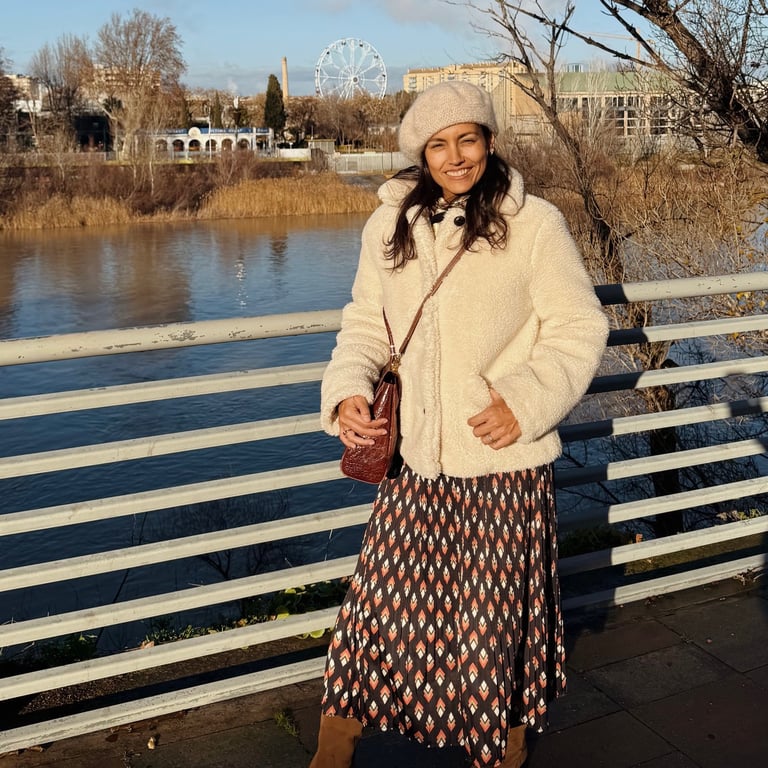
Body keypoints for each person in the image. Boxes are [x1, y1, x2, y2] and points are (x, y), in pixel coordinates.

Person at [310, 81, 609, 768]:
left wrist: (526, 401)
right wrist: (348, 390)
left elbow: (578, 326)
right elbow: (365, 324)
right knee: (377, 609)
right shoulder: (388, 227)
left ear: (490, 142)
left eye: (467, 139)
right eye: (438, 145)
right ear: (421, 155)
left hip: (500, 460)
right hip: (413, 460)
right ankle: (333, 748)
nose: (455, 156)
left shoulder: (535, 225)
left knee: (489, 625)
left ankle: (502, 744)